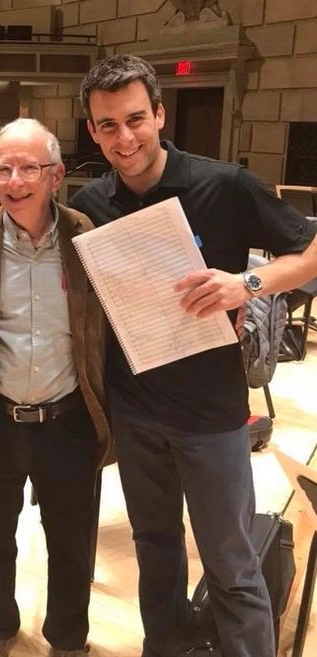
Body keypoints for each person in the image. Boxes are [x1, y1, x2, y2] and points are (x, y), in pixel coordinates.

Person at [68, 54, 317, 657]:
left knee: (230, 561)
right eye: (106, 126)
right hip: (134, 412)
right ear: (93, 131)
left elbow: (310, 252)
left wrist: (247, 284)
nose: (124, 138)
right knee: (154, 548)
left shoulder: (225, 183)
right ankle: (168, 646)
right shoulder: (91, 202)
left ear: (158, 113)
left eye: (134, 119)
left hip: (211, 415)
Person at [0, 118, 112, 657]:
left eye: (29, 168)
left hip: (67, 419)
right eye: (3, 169)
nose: (15, 181)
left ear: (57, 174)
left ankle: (68, 640)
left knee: (70, 543)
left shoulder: (86, 235)